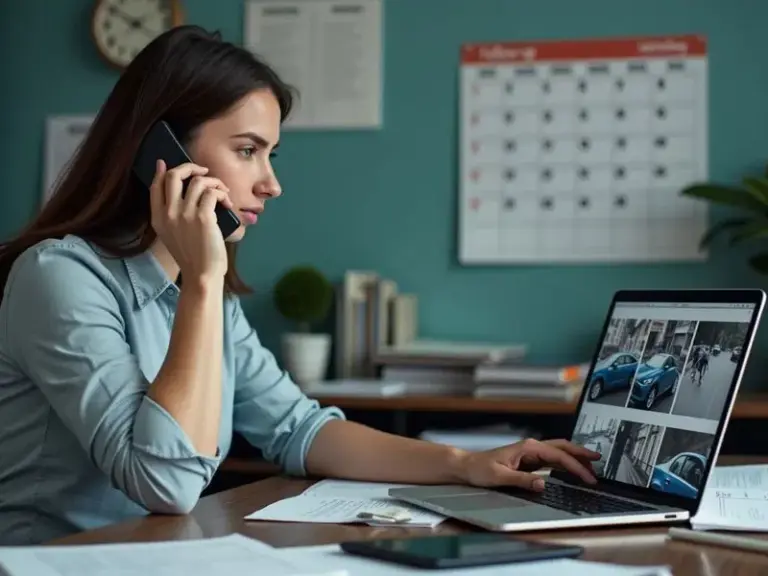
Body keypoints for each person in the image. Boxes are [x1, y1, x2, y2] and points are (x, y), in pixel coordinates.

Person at [0, 26, 599, 545]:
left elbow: (299, 429)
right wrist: (206, 282)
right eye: (247, 150)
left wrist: (465, 465)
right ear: (161, 153)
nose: (270, 184)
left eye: (272, 155)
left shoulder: (202, 295)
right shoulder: (61, 278)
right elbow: (166, 482)